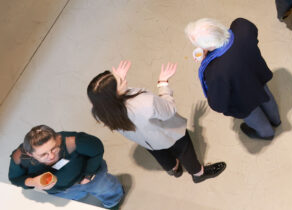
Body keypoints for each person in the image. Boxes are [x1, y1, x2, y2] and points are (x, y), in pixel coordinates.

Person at [86, 60, 226, 183]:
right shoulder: (145, 103)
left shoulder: (100, 110)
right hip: (169, 134)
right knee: (185, 150)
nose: (125, 80)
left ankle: (174, 169)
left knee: (159, 153)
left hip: (146, 140)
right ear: (114, 94)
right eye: (121, 81)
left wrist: (116, 81)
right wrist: (163, 83)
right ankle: (198, 174)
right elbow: (169, 110)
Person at [186, 17, 280, 140]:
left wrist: (205, 60)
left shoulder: (214, 71)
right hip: (257, 77)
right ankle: (276, 120)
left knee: (252, 114)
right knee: (266, 97)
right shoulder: (241, 26)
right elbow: (254, 33)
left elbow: (217, 104)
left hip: (241, 99)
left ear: (210, 46)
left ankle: (267, 134)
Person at [8, 125, 124, 208]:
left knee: (106, 189)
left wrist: (89, 174)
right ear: (30, 154)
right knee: (76, 196)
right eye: (43, 154)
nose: (51, 156)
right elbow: (15, 179)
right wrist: (32, 182)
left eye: (54, 148)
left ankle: (113, 201)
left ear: (57, 138)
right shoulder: (20, 158)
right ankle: (80, 194)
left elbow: (97, 149)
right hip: (61, 190)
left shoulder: (72, 142)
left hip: (91, 179)